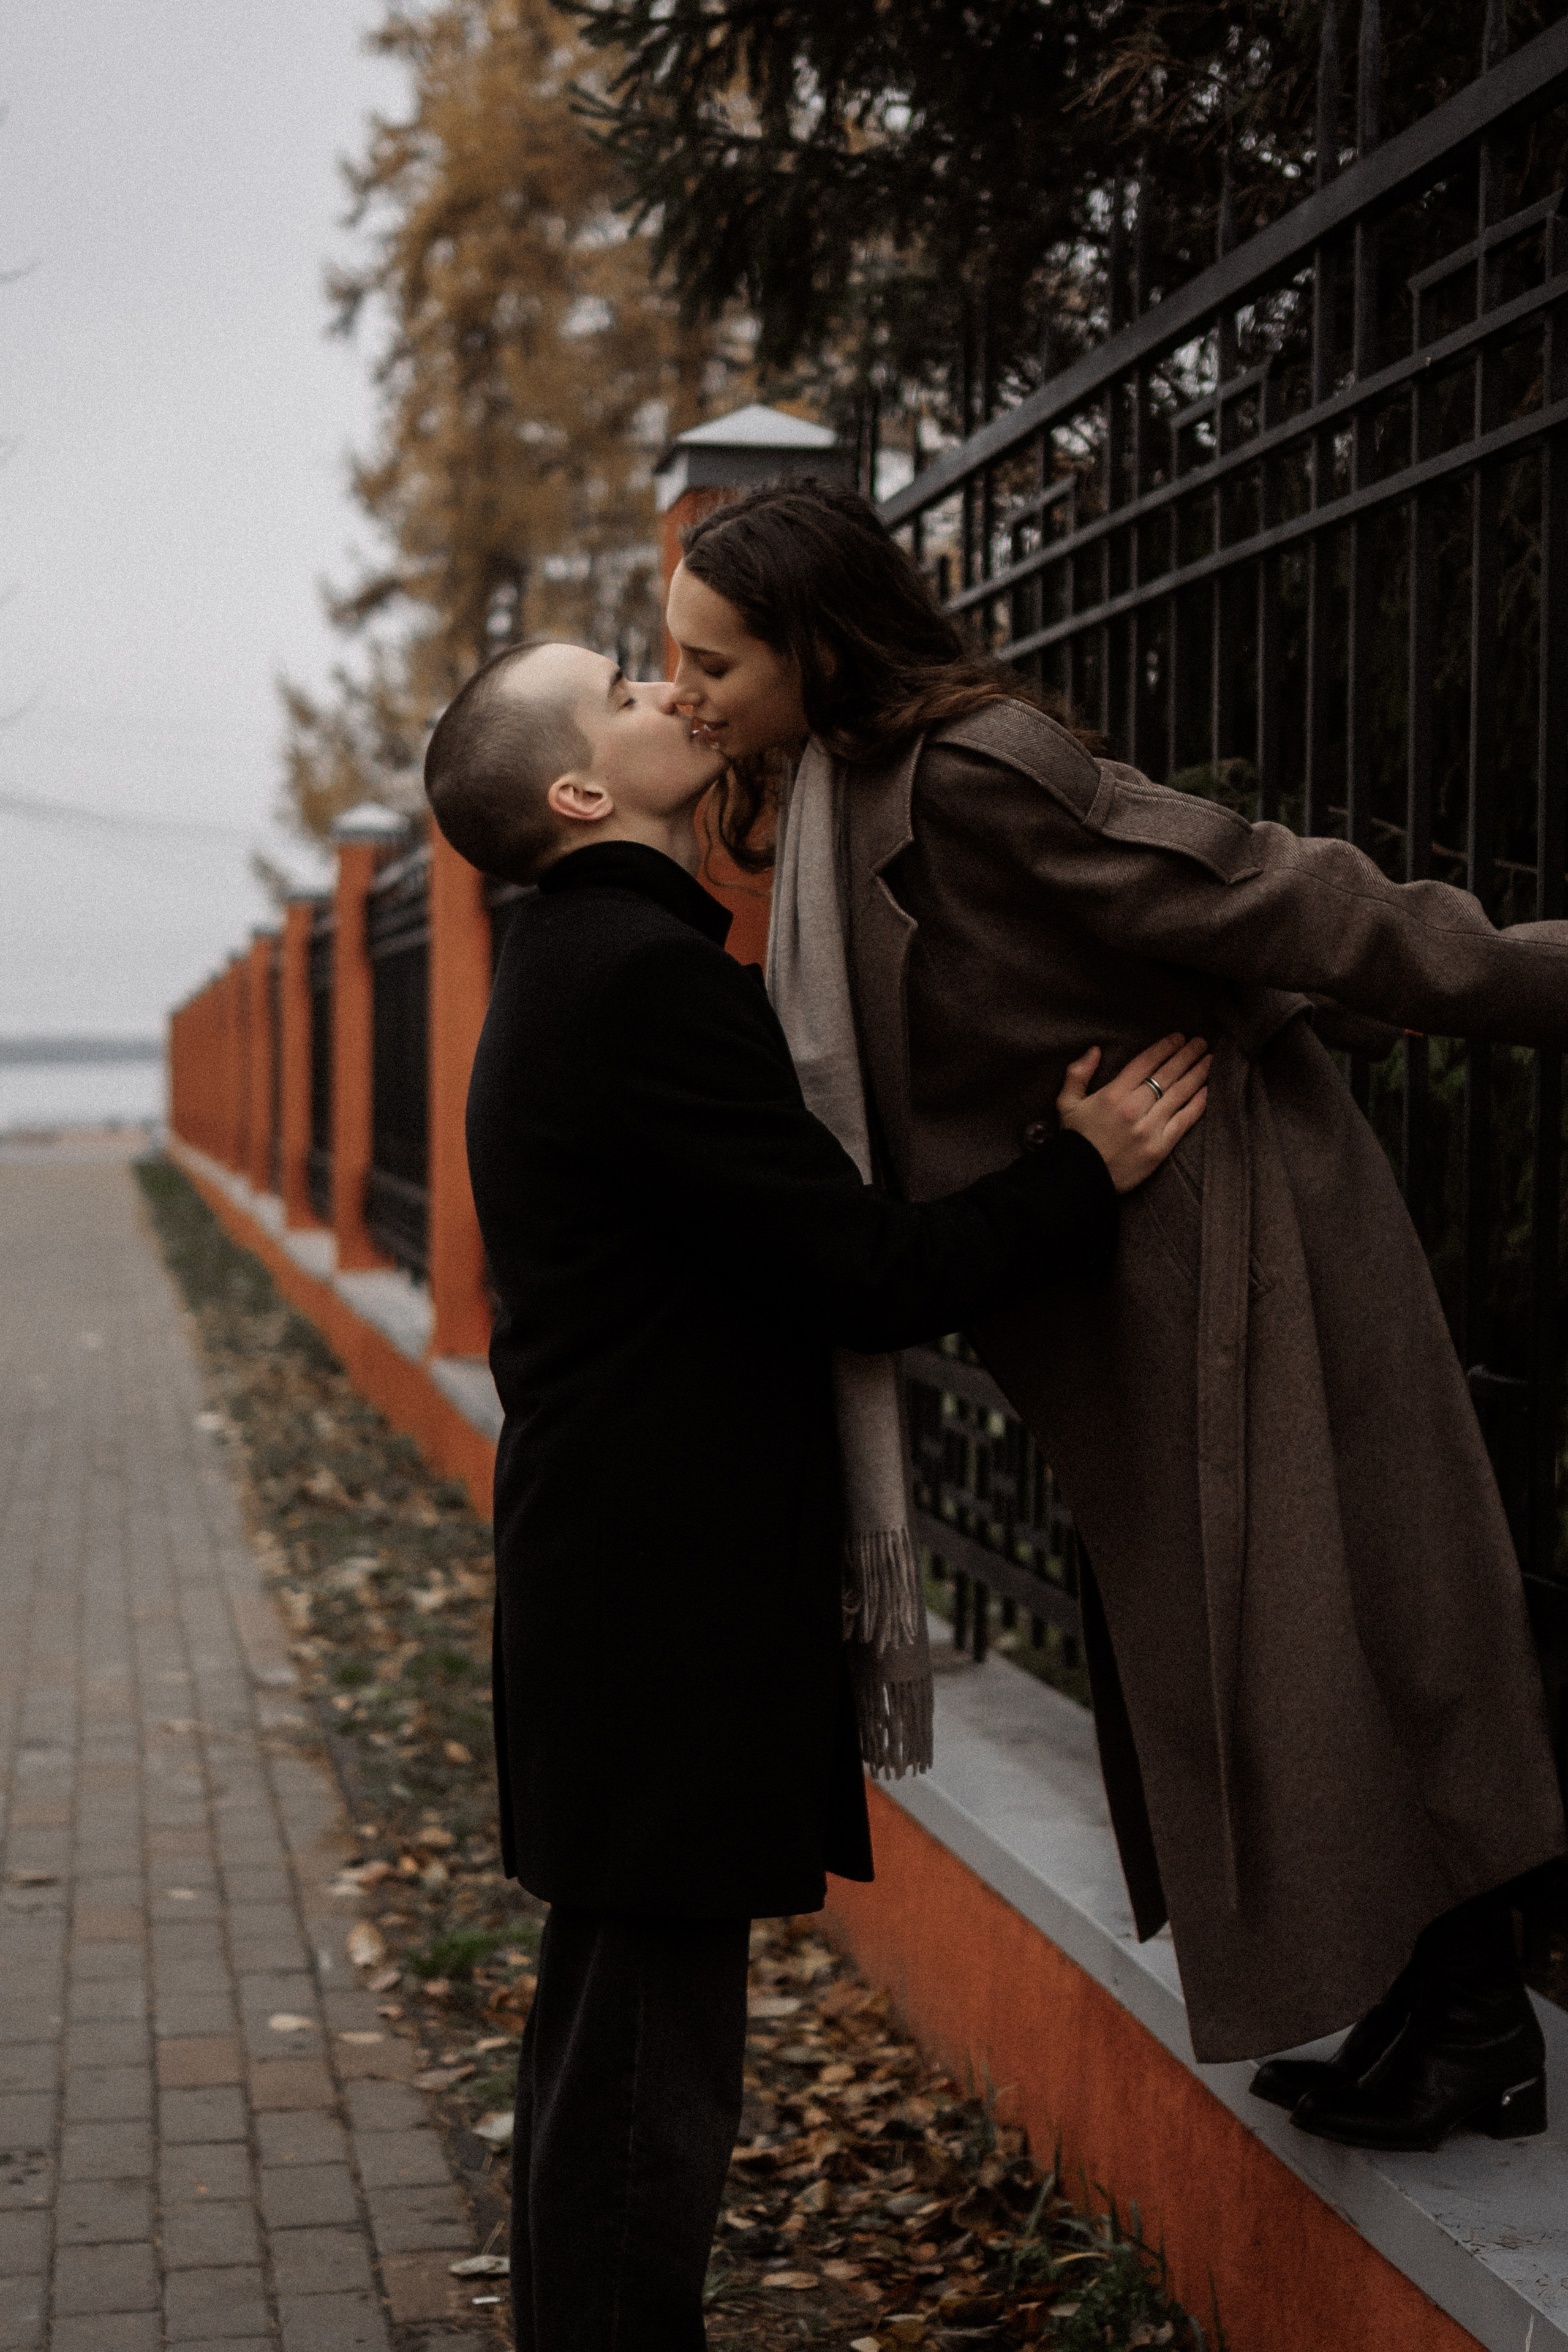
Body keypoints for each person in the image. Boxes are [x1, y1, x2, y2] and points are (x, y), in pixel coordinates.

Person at [665, 478, 1568, 2155]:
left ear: (814, 642)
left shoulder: (975, 768)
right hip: (1123, 1248)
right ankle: (1441, 2007)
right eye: (679, 660)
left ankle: (1469, 2013)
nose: (693, 691)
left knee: (1333, 1617)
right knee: (1268, 1636)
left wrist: (1532, 972)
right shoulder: (838, 792)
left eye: (717, 660)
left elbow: (1263, 892)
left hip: (1240, 1222)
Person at [421, 636, 1208, 2350]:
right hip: (663, 1595)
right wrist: (1081, 1175)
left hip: (625, 1576)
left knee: (614, 2019)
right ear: (577, 792)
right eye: (624, 688)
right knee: (649, 2054)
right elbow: (855, 1267)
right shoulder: (634, 981)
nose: (664, 692)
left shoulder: (580, 966)